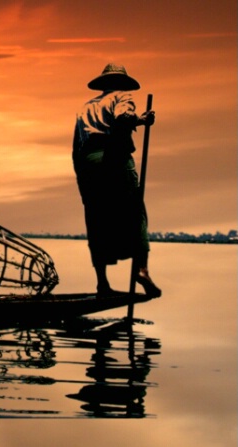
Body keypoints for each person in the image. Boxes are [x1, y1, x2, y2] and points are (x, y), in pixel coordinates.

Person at [72, 63, 161, 297]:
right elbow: (123, 118)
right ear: (120, 84)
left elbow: (76, 148)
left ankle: (102, 284)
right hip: (115, 159)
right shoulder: (122, 97)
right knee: (135, 213)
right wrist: (142, 120)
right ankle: (141, 270)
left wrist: (83, 180)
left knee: (96, 219)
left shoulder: (84, 108)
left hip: (88, 164)